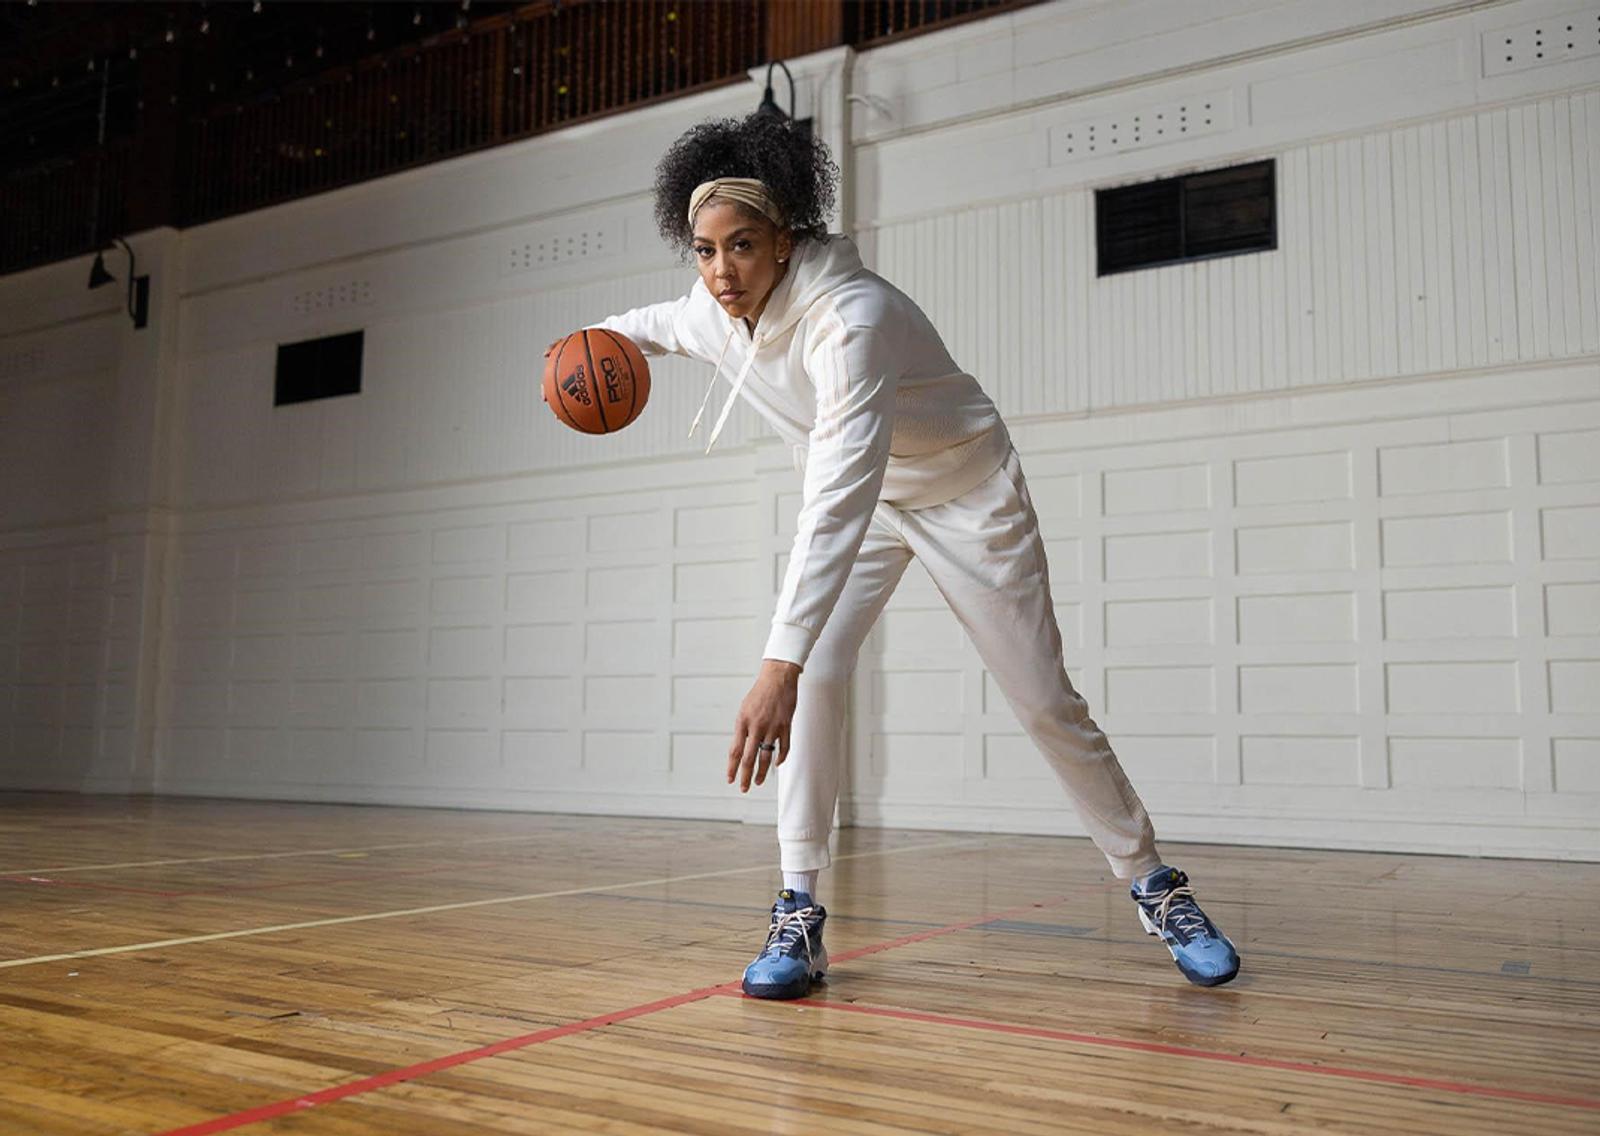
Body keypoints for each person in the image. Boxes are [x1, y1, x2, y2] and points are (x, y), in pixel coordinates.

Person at [559, 112, 1240, 997]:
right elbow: (644, 326)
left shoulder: (853, 319)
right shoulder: (712, 307)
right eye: (703, 249)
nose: (720, 271)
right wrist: (582, 346)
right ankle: (797, 915)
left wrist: (775, 661)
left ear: (789, 237)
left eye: (743, 245)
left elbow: (836, 491)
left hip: (964, 492)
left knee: (1042, 702)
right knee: (822, 677)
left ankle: (1154, 881)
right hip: (875, 503)